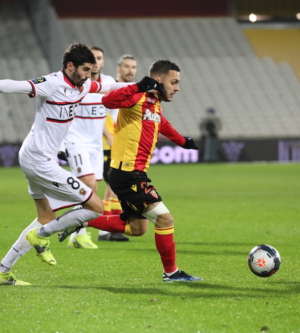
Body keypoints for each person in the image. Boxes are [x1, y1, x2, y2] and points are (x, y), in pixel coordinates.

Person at [0, 43, 130, 285]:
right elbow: (15, 86)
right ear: (70, 66)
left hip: (32, 155)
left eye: (92, 70)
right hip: (39, 161)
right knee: (95, 207)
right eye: (86, 70)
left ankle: (2, 272)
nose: (90, 75)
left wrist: (144, 86)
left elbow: (110, 86)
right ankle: (42, 236)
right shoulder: (52, 82)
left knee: (45, 216)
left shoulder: (83, 84)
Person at [61, 59, 203, 282]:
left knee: (137, 228)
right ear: (158, 80)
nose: (177, 88)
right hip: (129, 174)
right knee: (165, 219)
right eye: (174, 82)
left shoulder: (154, 103)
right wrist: (137, 86)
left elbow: (161, 123)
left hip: (132, 174)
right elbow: (108, 101)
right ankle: (171, 273)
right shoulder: (138, 96)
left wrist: (183, 141)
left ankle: (79, 219)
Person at [62, 46, 118, 248]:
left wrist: (113, 138)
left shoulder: (110, 83)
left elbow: (112, 115)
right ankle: (80, 231)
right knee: (88, 185)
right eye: (92, 58)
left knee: (93, 189)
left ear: (103, 62)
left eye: (99, 58)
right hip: (76, 142)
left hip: (95, 146)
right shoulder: (76, 83)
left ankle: (74, 234)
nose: (95, 62)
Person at [98, 54, 137, 242]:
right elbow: (101, 115)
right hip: (109, 145)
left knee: (114, 187)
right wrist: (112, 140)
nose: (130, 70)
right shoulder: (111, 87)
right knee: (113, 186)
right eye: (127, 66)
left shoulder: (133, 90)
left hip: (124, 145)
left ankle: (109, 229)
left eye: (133, 67)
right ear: (118, 69)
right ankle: (106, 229)